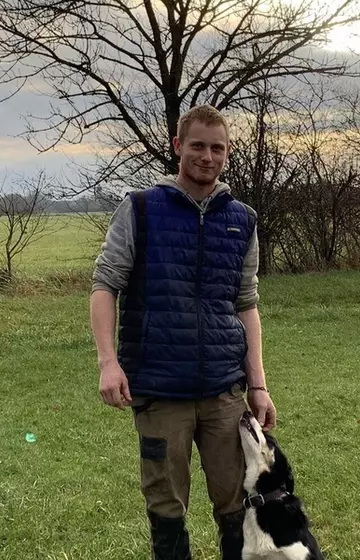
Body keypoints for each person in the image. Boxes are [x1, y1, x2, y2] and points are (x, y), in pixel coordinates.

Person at [90, 104, 276, 560]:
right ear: (178, 147)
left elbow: (246, 304)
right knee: (167, 507)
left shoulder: (242, 220)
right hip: (159, 390)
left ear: (228, 153)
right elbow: (104, 285)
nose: (207, 156)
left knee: (236, 504)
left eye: (217, 148)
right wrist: (108, 363)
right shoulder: (140, 209)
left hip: (223, 393)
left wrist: (258, 385)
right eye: (197, 145)